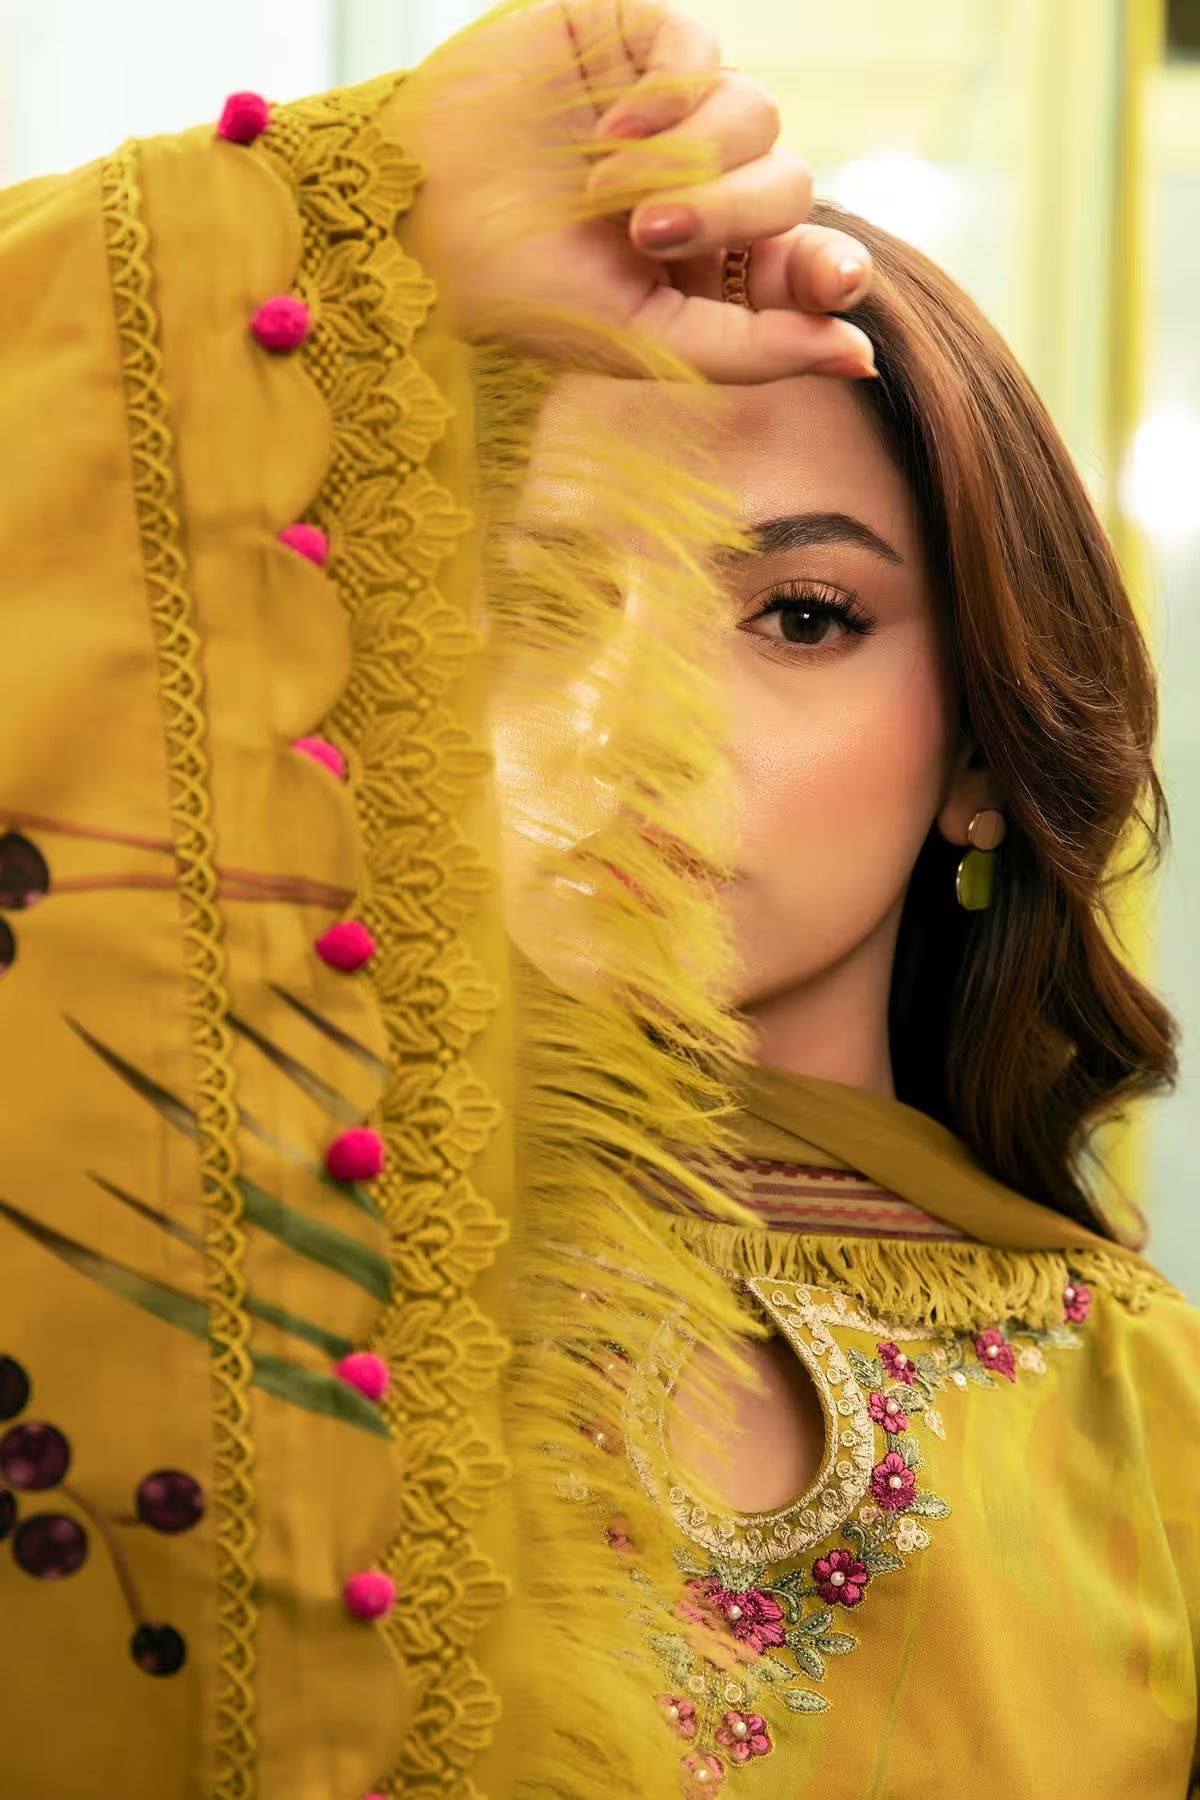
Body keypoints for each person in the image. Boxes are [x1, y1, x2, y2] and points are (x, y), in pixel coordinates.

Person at [0, 4, 1195, 1797]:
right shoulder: (208, 1289)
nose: (639, 728)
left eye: (803, 617)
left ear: (977, 744)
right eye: (538, 603)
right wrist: (350, 217)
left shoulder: (1162, 1450)